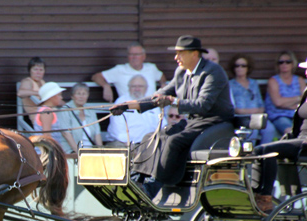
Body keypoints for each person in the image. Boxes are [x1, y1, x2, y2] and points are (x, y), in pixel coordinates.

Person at [111, 35, 234, 190]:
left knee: (174, 141)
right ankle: (138, 179)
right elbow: (160, 95)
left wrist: (173, 101)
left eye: (180, 53)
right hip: (193, 122)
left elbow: (203, 104)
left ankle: (155, 185)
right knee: (152, 137)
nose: (176, 58)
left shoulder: (213, 72)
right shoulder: (182, 72)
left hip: (214, 123)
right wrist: (128, 106)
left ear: (194, 54)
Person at [251, 50, 307, 212]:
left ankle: (264, 198)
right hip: (300, 139)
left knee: (266, 151)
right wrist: (290, 136)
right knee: (259, 150)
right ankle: (256, 193)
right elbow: (301, 121)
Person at [92, 42, 166, 102]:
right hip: (128, 110)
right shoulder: (120, 70)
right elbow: (96, 77)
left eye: (137, 54)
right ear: (128, 56)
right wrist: (106, 86)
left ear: (143, 56)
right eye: (131, 54)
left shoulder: (151, 68)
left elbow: (161, 76)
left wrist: (163, 84)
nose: (134, 57)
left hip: (150, 110)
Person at [261, 51, 306, 143]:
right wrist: (297, 99)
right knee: (290, 131)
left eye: (288, 62)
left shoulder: (300, 80)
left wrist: (286, 103)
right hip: (279, 116)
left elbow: (305, 100)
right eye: (281, 62)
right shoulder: (273, 81)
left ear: (293, 64)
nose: (284, 64)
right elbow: (278, 102)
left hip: (296, 115)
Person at [106, 75, 161, 147]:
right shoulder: (121, 102)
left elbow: (162, 124)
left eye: (140, 86)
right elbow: (117, 132)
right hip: (125, 143)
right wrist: (132, 145)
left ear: (146, 88)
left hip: (149, 143)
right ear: (128, 88)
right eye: (133, 86)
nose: (137, 89)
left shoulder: (152, 102)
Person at [228, 54, 265, 142]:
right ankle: (251, 153)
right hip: (241, 117)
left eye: (243, 66)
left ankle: (263, 152)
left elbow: (261, 104)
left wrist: (258, 111)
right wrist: (248, 111)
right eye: (237, 66)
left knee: (269, 130)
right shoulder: (230, 84)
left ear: (248, 68)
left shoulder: (254, 83)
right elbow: (232, 107)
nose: (240, 68)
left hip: (257, 115)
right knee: (253, 130)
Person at [33, 82, 78, 152]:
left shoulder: (46, 110)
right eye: (59, 95)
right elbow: (47, 136)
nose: (61, 97)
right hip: (46, 153)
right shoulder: (47, 112)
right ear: (51, 96)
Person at [58, 83, 103, 150]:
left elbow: (97, 134)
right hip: (72, 152)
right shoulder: (65, 110)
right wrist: (78, 152)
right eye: (78, 94)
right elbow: (66, 134)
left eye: (84, 94)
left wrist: (101, 152)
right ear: (72, 96)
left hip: (91, 151)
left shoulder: (91, 111)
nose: (81, 97)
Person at [17, 57, 47, 126]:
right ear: (30, 70)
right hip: (37, 119)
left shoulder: (42, 82)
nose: (38, 72)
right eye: (35, 69)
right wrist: (39, 93)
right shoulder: (27, 81)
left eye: (41, 70)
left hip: (47, 114)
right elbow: (20, 93)